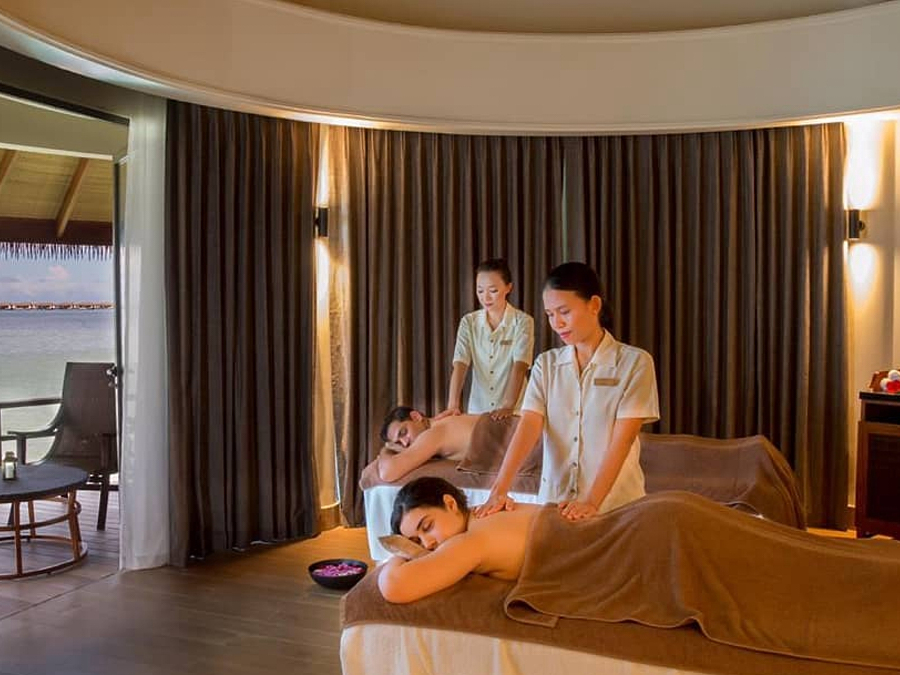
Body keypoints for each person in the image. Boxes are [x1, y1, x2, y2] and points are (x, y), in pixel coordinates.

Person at [475, 262, 659, 522]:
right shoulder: (546, 365)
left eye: (564, 312)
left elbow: (623, 440)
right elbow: (528, 426)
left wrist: (591, 502)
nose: (557, 323)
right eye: (550, 314)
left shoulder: (635, 363)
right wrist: (499, 490)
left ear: (594, 305)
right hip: (555, 506)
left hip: (617, 507)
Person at [378, 476, 538, 603]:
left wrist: (400, 552)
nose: (427, 544)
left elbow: (394, 587)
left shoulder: (471, 541)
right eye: (416, 542)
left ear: (450, 504)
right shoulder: (484, 513)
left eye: (427, 527)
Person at [437, 258, 534, 421]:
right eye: (480, 291)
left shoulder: (523, 322)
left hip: (515, 409)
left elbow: (520, 365)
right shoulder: (469, 322)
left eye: (493, 290)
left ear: (508, 287)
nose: (486, 297)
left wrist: (508, 405)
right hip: (479, 409)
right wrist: (452, 405)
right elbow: (460, 364)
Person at [376, 406, 483, 482]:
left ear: (416, 417)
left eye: (404, 432)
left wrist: (385, 451)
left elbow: (387, 473)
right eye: (399, 443)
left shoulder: (433, 434)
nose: (405, 443)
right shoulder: (443, 423)